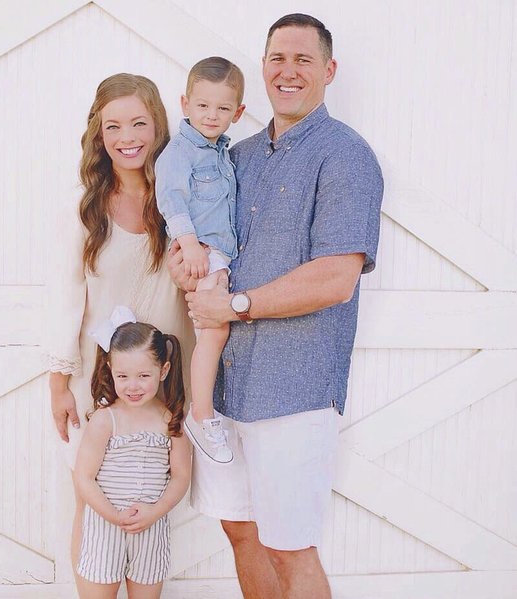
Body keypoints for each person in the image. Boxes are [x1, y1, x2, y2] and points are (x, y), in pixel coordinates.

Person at [170, 13, 383, 599]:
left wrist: (234, 306)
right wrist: (182, 261)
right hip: (227, 390)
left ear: (329, 71)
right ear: (263, 67)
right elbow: (204, 244)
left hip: (294, 389)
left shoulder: (345, 157)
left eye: (303, 60)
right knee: (241, 532)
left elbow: (336, 277)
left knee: (290, 546)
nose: (287, 72)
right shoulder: (233, 156)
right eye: (277, 59)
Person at [46, 74, 193, 594]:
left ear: (158, 126)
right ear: (98, 134)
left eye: (138, 123)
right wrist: (60, 380)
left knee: (154, 494)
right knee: (90, 505)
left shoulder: (182, 203)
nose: (126, 136)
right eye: (113, 126)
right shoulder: (86, 207)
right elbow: (68, 297)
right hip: (100, 380)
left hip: (164, 381)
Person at [155, 57, 245, 464]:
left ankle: (206, 411)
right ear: (185, 104)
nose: (212, 115)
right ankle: (202, 414)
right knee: (214, 331)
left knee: (217, 332)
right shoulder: (180, 152)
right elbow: (171, 200)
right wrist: (189, 245)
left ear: (238, 113)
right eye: (203, 106)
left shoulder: (221, 153)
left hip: (219, 256)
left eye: (223, 108)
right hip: (200, 254)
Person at [73, 306, 191, 599]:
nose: (133, 386)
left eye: (143, 375)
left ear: (163, 371)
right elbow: (84, 478)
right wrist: (113, 516)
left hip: (151, 528)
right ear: (111, 370)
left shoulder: (170, 419)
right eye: (123, 376)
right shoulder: (105, 420)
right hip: (105, 527)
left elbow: (180, 477)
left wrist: (156, 512)